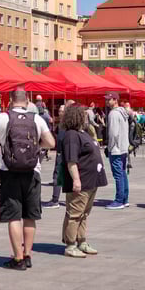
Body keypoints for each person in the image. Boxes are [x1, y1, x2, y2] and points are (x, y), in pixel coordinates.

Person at [0, 88, 55, 270]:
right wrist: (36, 148)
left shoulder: (2, 118)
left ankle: (17, 258)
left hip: (9, 172)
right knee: (30, 216)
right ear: (27, 101)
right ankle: (27, 255)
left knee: (13, 216)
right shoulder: (37, 119)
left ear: (10, 100)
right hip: (33, 172)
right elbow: (51, 143)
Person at [61, 104, 107, 257]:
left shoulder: (84, 132)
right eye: (84, 114)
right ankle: (70, 244)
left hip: (91, 181)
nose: (87, 116)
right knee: (74, 213)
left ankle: (81, 240)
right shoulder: (71, 135)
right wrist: (76, 180)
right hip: (82, 180)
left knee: (84, 213)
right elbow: (71, 160)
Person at [105, 94, 129, 210]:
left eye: (109, 99)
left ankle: (119, 200)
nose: (107, 101)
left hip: (116, 149)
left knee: (118, 174)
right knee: (123, 173)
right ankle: (124, 198)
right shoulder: (123, 112)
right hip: (123, 147)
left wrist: (109, 147)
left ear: (115, 100)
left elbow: (113, 133)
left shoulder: (113, 113)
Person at [43, 104, 67, 209]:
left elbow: (61, 139)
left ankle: (55, 200)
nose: (59, 112)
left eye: (61, 110)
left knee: (58, 176)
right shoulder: (61, 125)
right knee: (59, 176)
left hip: (63, 153)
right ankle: (57, 199)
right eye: (60, 110)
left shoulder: (65, 125)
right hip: (61, 152)